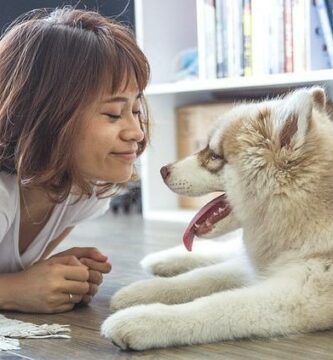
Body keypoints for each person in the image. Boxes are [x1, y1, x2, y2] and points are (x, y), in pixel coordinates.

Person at [0, 7, 150, 313]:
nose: (136, 132)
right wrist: (15, 291)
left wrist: (54, 275)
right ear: (46, 117)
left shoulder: (82, 191)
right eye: (112, 114)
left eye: (135, 110)